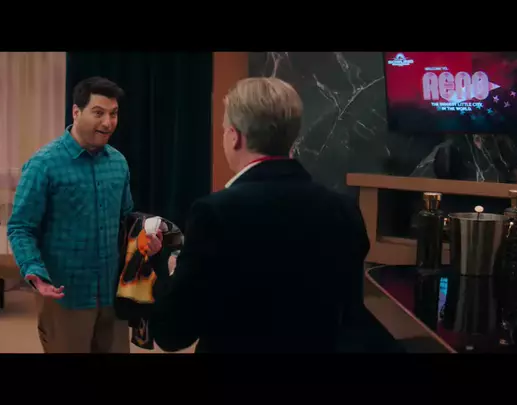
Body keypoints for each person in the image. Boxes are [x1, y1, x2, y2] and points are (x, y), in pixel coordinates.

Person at [150, 77, 371, 353]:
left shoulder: (214, 214)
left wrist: (170, 274)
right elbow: (350, 319)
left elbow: (173, 332)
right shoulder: (344, 209)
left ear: (235, 137)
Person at [7, 76, 163, 354]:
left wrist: (145, 238)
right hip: (66, 296)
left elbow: (127, 220)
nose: (108, 122)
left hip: (112, 295)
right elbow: (20, 227)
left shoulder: (118, 163)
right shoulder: (43, 164)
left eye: (113, 114)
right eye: (99, 113)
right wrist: (33, 269)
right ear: (76, 112)